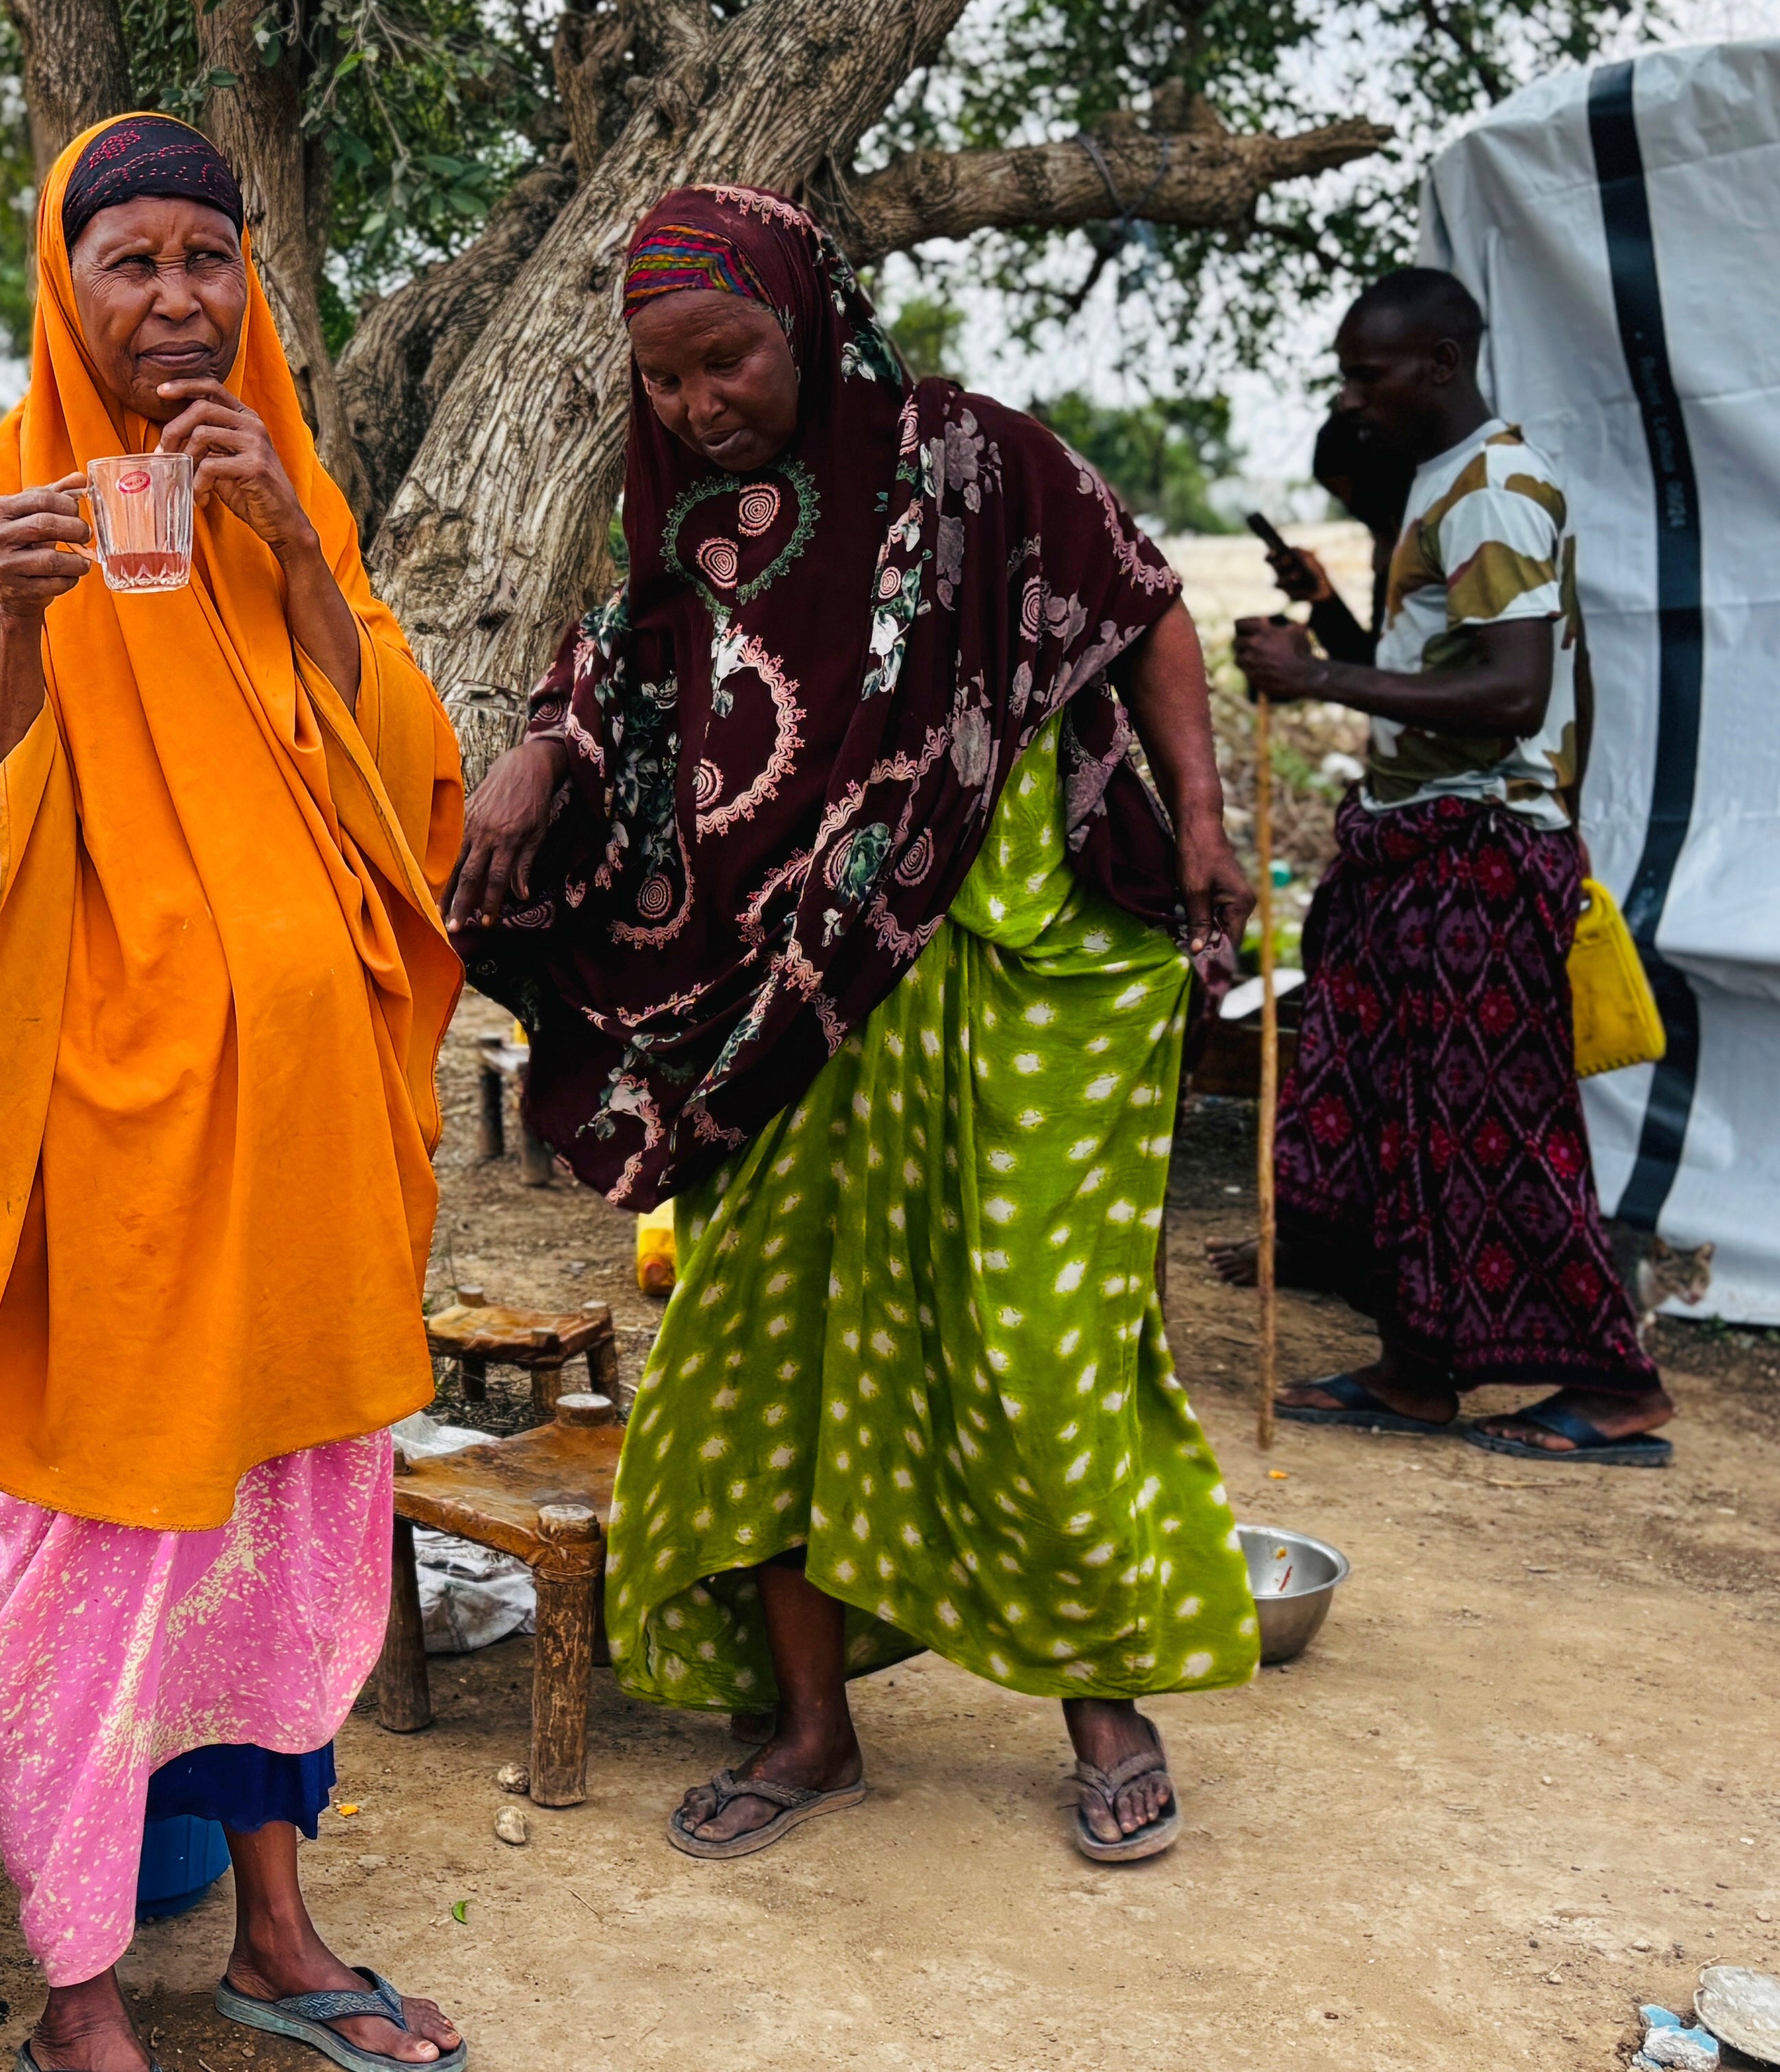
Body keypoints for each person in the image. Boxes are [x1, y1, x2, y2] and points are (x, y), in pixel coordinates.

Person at [451, 185, 1260, 1865]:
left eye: (727, 359)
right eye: (663, 377)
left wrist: (1197, 810)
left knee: (1034, 1341)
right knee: (765, 1351)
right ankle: (811, 1730)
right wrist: (541, 750)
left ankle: (1103, 1704)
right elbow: (617, 672)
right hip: (776, 1009)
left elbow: (1140, 604)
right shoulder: (680, 522)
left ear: (803, 317)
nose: (698, 403)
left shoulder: (975, 460)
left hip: (1004, 964)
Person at [0, 115, 468, 2072]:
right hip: (102, 1150)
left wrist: (294, 551)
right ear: (66, 283)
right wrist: (18, 627)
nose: (179, 297)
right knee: (91, 1565)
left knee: (283, 1524)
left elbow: (401, 781)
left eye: (210, 255)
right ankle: (80, 1996)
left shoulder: (288, 489)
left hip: (298, 1142)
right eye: (135, 261)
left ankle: (276, 1928)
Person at [1223, 266, 1674, 1466]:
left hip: (1480, 852)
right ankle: (1417, 1369)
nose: (1350, 398)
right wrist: (1328, 627)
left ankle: (1617, 1387)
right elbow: (1430, 677)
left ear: (1440, 361)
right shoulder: (1442, 485)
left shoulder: (1493, 492)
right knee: (1402, 1123)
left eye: (1367, 374)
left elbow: (1512, 695)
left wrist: (1316, 676)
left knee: (1498, 1123)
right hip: (1424, 845)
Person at [1263, 412, 1415, 666]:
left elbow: (1387, 677)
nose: (1350, 507)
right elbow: (1373, 665)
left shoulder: (1426, 548)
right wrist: (1323, 597)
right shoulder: (1394, 545)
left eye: (1349, 493)